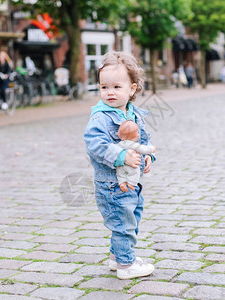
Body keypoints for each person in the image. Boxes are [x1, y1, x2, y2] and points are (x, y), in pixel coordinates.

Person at [84, 51, 156, 280]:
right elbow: (95, 144)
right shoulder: (101, 118)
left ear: (132, 89)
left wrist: (147, 157)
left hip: (132, 182)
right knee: (123, 223)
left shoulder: (134, 114)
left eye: (116, 87)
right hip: (112, 185)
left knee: (131, 217)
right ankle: (126, 265)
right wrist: (122, 156)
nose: (110, 92)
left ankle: (118, 257)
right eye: (104, 87)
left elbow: (143, 141)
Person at [116, 120, 155, 192]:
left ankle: (122, 182)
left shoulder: (119, 144)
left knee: (120, 173)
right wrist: (151, 149)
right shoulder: (133, 144)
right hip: (131, 165)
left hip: (120, 164)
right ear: (136, 136)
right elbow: (143, 149)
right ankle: (132, 183)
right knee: (134, 172)